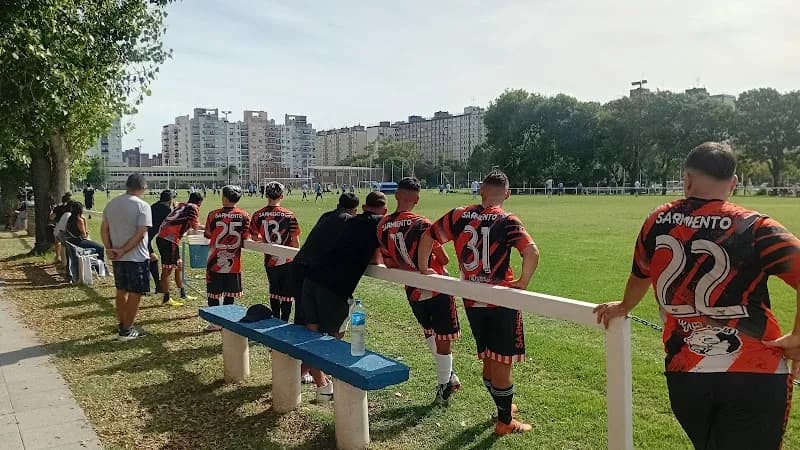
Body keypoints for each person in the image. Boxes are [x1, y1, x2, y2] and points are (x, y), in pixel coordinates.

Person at [594, 142, 800, 450]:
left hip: (685, 369)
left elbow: (641, 273)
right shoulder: (755, 226)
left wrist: (625, 305)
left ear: (687, 179)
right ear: (733, 183)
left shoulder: (657, 220)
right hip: (755, 368)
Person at [418, 170, 540, 435]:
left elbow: (428, 236)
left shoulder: (459, 215)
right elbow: (531, 252)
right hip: (500, 301)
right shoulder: (507, 220)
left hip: (472, 301)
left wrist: (423, 268)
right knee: (503, 361)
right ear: (507, 194)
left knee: (488, 355)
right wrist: (522, 283)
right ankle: (504, 422)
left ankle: (502, 405)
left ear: (481, 190)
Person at [377, 177, 461, 405]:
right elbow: (444, 258)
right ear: (417, 199)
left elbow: (390, 263)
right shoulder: (423, 224)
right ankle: (444, 384)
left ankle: (449, 376)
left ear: (396, 195)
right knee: (444, 336)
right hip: (435, 286)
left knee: (429, 330)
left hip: (412, 289)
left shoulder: (382, 225)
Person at [303, 191, 387, 402]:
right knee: (332, 337)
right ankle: (324, 384)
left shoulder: (349, 220)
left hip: (311, 279)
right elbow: (377, 260)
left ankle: (320, 382)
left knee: (312, 333)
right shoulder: (380, 223)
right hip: (334, 287)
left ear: (364, 206)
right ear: (383, 210)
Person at [101, 173, 152, 341]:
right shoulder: (143, 206)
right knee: (135, 293)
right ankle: (127, 330)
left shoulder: (111, 204)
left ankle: (122, 324)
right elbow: (140, 233)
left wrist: (110, 248)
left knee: (121, 290)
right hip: (136, 257)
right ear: (143, 187)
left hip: (117, 256)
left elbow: (104, 229)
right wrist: (123, 250)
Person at [249, 182, 301, 321]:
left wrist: (265, 240)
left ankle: (275, 317)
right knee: (287, 292)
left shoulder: (258, 215)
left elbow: (254, 236)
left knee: (274, 289)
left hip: (270, 259)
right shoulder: (289, 215)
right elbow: (295, 239)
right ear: (282, 196)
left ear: (266, 195)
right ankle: (284, 319)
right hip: (287, 259)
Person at [202, 185, 251, 332]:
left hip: (214, 260)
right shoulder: (244, 215)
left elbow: (208, 234)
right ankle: (228, 320)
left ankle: (215, 322)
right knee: (230, 293)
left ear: (224, 197)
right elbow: (246, 237)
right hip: (233, 261)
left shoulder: (213, 214)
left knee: (213, 292)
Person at [156, 192, 203, 306]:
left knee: (179, 265)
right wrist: (210, 227)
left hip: (166, 238)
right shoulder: (193, 207)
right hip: (169, 240)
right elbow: (195, 226)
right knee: (167, 270)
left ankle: (182, 293)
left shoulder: (182, 206)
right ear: (200, 202)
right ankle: (166, 298)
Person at [148, 190, 175, 294]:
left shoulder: (154, 205)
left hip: (146, 237)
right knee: (152, 258)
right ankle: (153, 286)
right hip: (144, 238)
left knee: (152, 258)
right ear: (170, 199)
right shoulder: (166, 209)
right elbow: (172, 223)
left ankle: (157, 286)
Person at [50, 192, 72, 264]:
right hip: (70, 227)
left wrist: (51, 211)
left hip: (59, 227)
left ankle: (58, 257)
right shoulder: (72, 208)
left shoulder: (58, 208)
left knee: (57, 242)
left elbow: (51, 217)